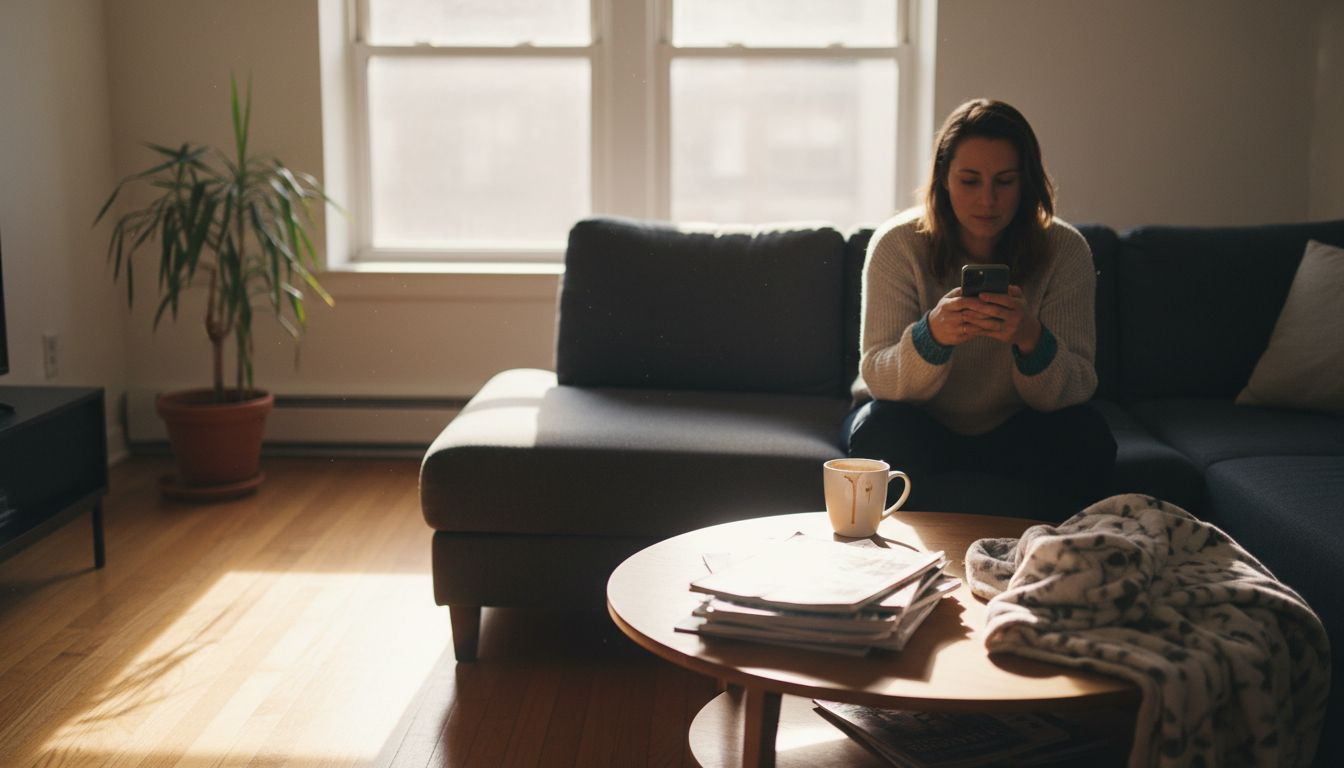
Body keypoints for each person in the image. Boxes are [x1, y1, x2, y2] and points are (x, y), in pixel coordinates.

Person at [844, 98, 1115, 518]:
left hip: (1017, 425)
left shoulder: (1065, 250)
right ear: (943, 180)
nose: (987, 200)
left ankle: (1050, 559)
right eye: (969, 181)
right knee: (880, 431)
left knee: (1087, 434)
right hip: (917, 421)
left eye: (1004, 181)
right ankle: (907, 566)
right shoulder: (897, 244)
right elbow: (877, 376)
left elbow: (1079, 385)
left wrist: (1030, 339)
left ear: (1026, 183)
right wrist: (930, 338)